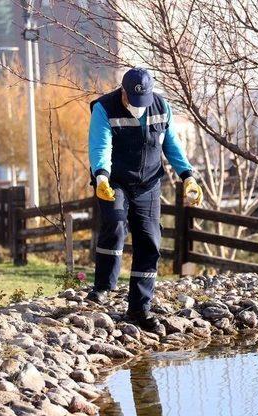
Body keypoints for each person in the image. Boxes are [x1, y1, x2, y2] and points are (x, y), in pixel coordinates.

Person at [86, 67, 203, 332]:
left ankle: (139, 308)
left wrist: (188, 176)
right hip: (114, 180)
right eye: (133, 100)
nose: (139, 106)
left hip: (149, 183)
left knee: (150, 240)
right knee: (115, 225)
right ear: (123, 92)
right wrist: (101, 176)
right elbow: (100, 146)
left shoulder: (161, 107)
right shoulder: (104, 108)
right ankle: (104, 286)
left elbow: (170, 144)